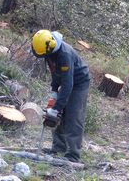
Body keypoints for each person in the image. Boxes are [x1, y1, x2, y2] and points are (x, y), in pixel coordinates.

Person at [31, 30, 90, 163]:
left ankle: (73, 155)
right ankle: (58, 147)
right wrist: (54, 91)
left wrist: (56, 108)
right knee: (60, 115)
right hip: (66, 80)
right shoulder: (47, 48)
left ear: (50, 47)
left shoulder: (64, 54)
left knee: (73, 115)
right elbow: (55, 72)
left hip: (79, 82)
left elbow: (68, 84)